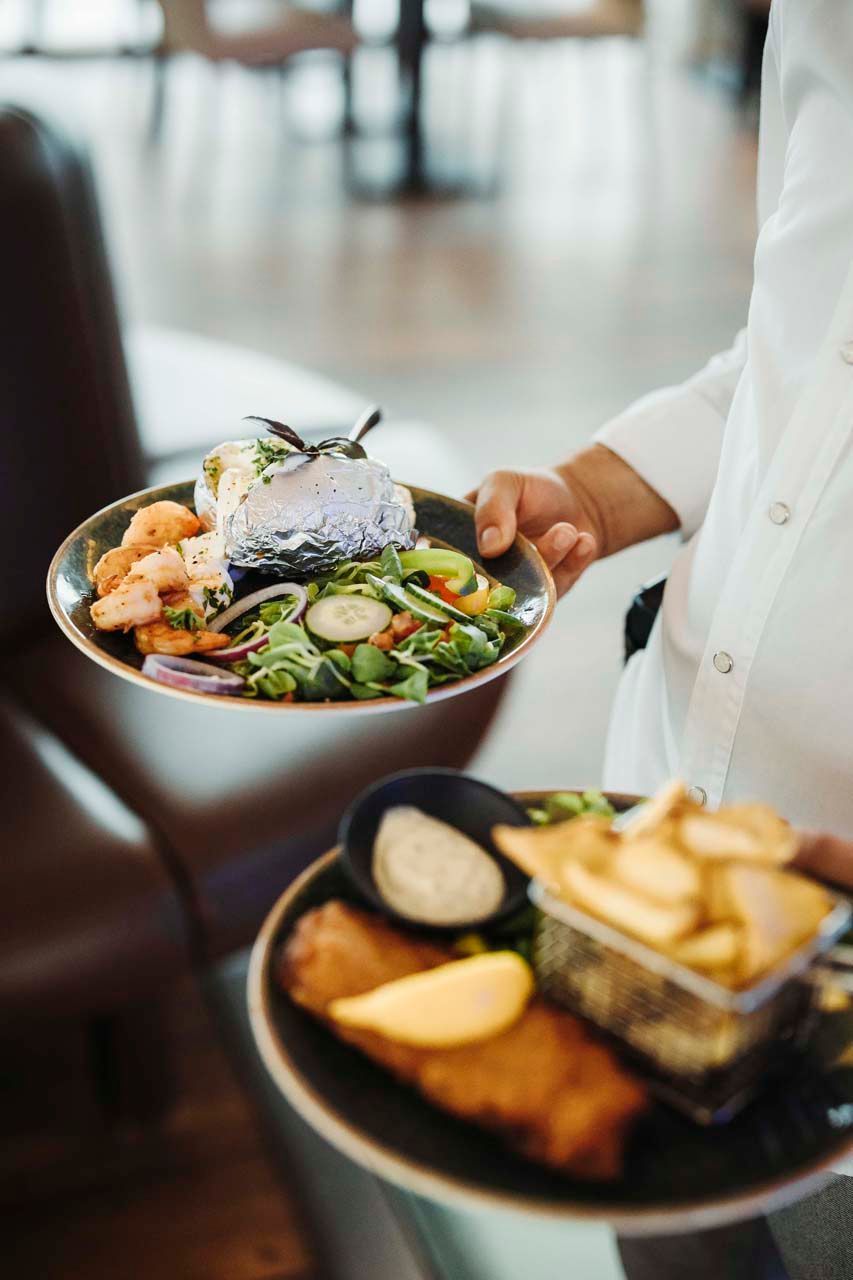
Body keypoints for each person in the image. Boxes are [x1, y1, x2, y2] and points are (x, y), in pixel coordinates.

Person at [469, 3, 853, 1276]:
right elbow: (793, 362)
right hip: (662, 812)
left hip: (835, 946)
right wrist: (589, 489)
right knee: (668, 1236)